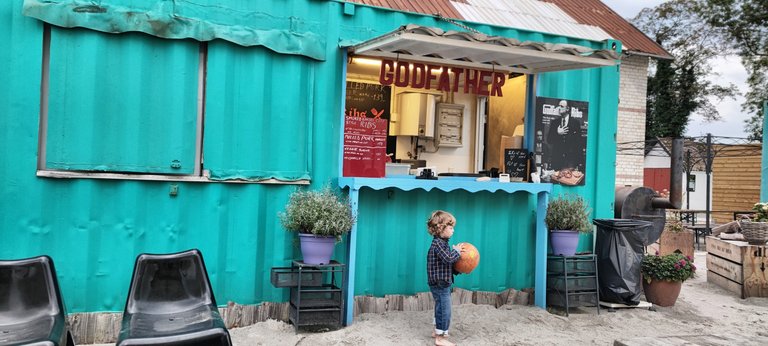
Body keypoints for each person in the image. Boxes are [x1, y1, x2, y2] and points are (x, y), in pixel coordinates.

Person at [426, 210, 462, 346]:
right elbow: (448, 259)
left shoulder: (442, 243)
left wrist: (458, 269)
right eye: (451, 227)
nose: (453, 230)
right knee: (444, 309)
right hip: (440, 283)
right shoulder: (438, 244)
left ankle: (437, 332)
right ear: (441, 228)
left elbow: (446, 264)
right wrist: (457, 252)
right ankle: (440, 338)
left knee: (440, 306)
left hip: (441, 282)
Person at [545, 100, 584, 171]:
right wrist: (557, 133)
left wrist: (579, 162)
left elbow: (579, 143)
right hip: (557, 160)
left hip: (570, 161)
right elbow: (549, 140)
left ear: (567, 109)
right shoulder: (554, 123)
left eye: (561, 106)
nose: (559, 108)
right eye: (558, 106)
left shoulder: (575, 123)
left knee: (569, 181)